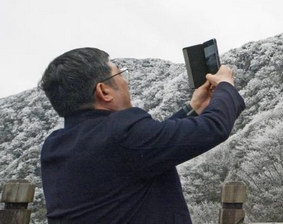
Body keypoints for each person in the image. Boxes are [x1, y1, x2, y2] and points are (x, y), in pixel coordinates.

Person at [40, 47, 245, 224]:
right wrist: (225, 86)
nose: (125, 82)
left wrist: (194, 108)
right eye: (120, 75)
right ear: (104, 91)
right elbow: (213, 127)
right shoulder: (122, 132)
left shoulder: (54, 146)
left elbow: (144, 148)